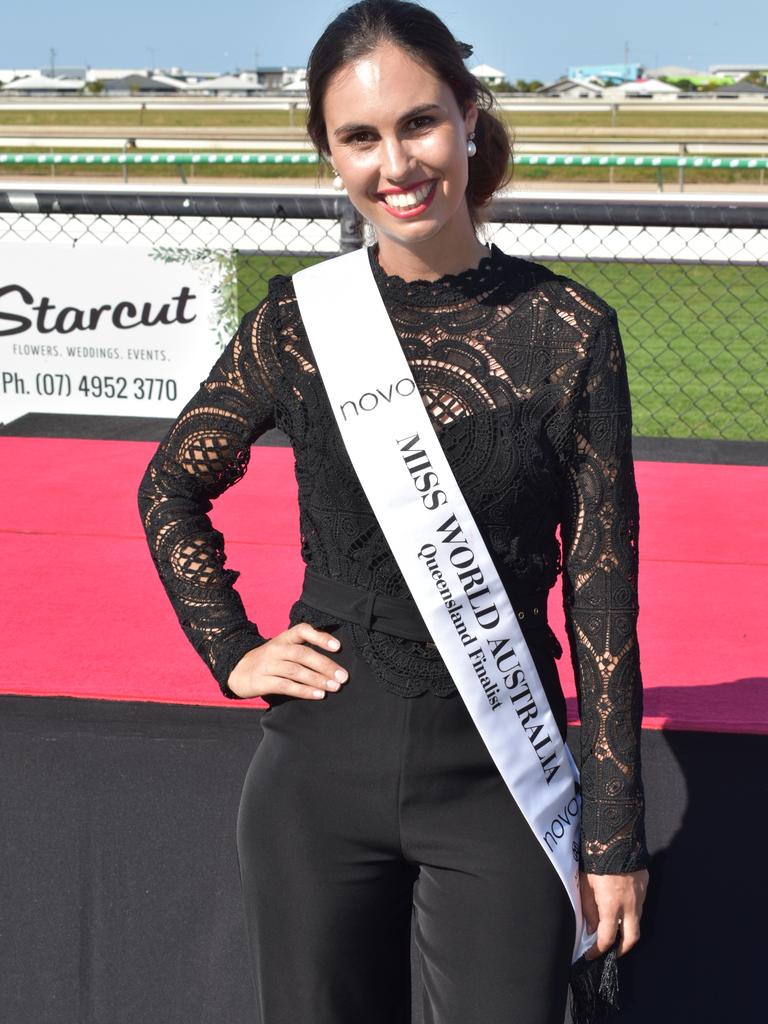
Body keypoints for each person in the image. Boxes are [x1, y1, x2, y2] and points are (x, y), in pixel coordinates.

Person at [137, 2, 649, 1021]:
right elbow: (169, 487)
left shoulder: (570, 331)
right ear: (331, 155)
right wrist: (230, 646)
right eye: (359, 138)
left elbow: (602, 598)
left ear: (467, 114)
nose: (395, 163)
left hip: (503, 787)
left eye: (418, 122)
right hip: (317, 780)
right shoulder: (299, 321)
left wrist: (613, 833)